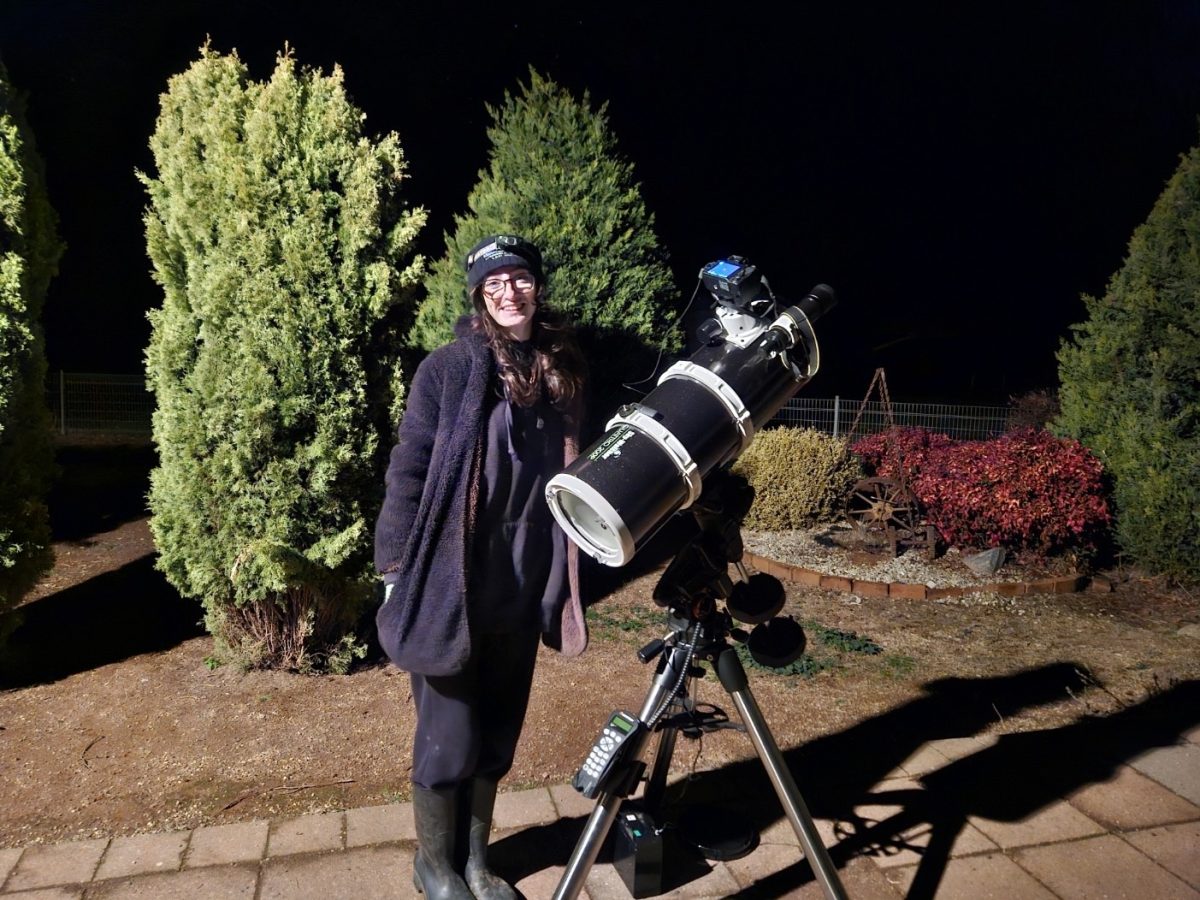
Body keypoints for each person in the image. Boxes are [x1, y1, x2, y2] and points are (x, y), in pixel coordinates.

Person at [374, 234, 589, 899]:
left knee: (496, 733)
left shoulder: (561, 373)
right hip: (453, 580)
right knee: (450, 734)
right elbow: (409, 468)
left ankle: (473, 863)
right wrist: (394, 568)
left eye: (518, 279)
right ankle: (432, 867)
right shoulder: (449, 369)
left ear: (536, 286)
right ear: (480, 297)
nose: (508, 292)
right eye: (493, 284)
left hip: (522, 581)